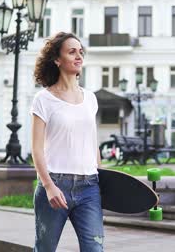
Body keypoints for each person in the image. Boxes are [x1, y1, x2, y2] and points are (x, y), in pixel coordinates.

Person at [31, 32, 104, 252]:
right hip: (55, 184)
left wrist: (102, 178)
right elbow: (36, 147)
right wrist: (49, 186)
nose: (79, 55)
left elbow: (93, 142)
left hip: (89, 186)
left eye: (80, 51)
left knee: (95, 249)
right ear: (57, 59)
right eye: (71, 51)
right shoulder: (44, 99)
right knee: (45, 248)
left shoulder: (90, 98)